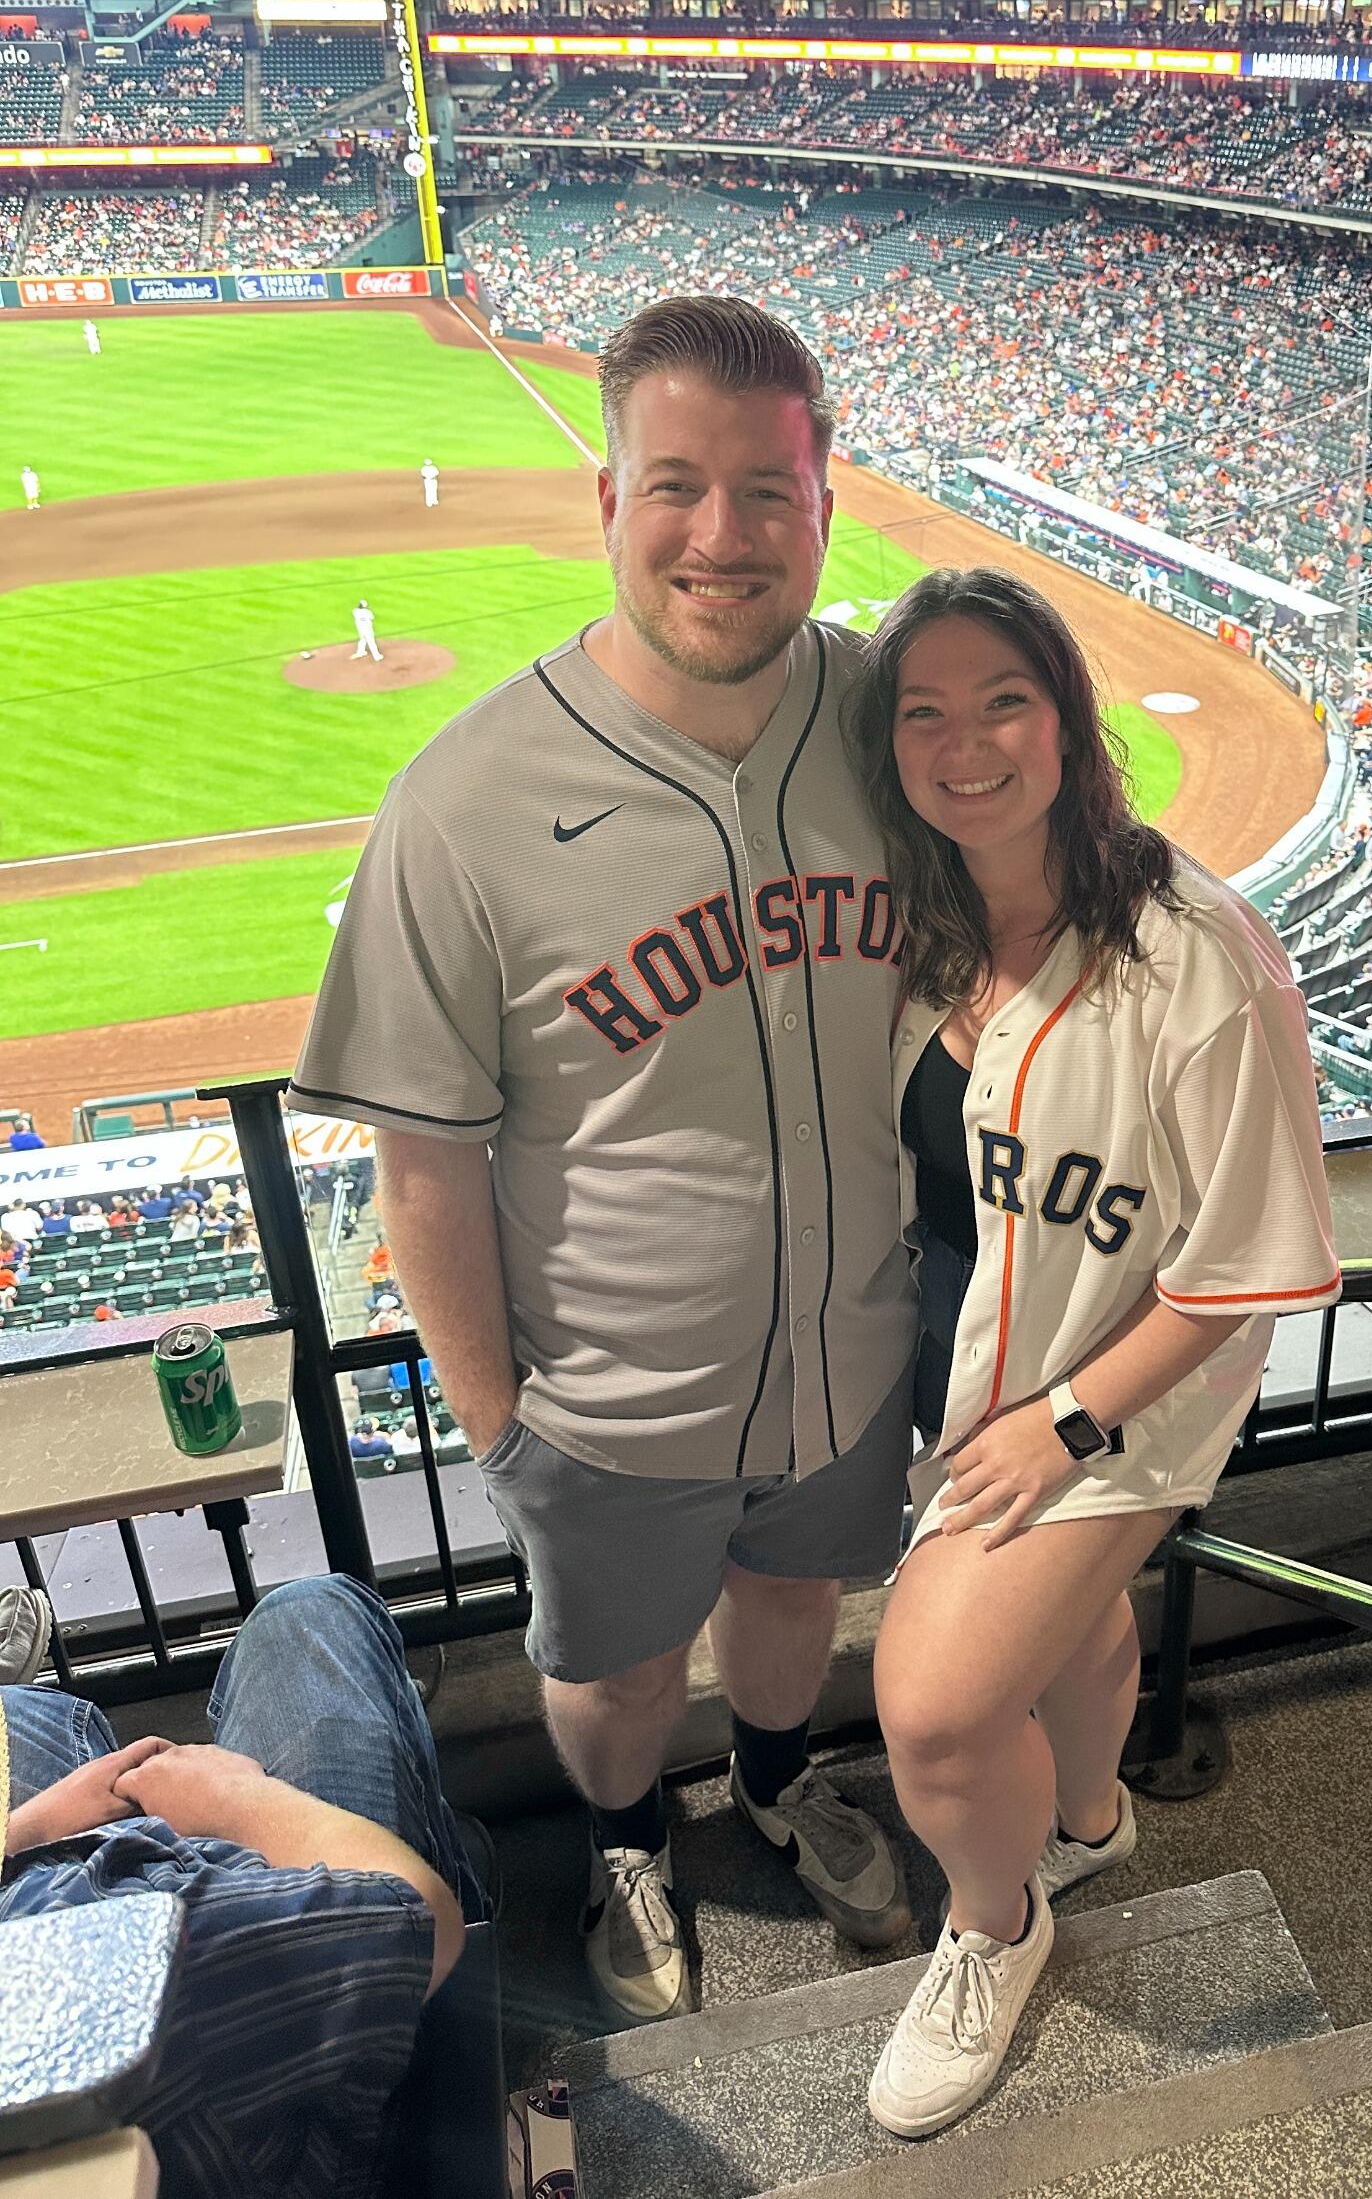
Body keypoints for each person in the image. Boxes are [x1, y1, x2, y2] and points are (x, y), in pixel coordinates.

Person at [285, 296, 918, 2024]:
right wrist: (505, 1429)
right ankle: (629, 1843)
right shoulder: (461, 805)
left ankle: (777, 1785)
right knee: (621, 1676)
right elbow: (423, 1166)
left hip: (853, 1352)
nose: (723, 535)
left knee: (795, 1605)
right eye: (676, 486)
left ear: (823, 509)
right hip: (609, 1401)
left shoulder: (890, 726)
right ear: (609, 499)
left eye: (767, 491)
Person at [843, 568, 1339, 2138]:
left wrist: (1061, 1422)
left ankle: (994, 1928)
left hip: (1116, 1391)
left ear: (1066, 721)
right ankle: (1086, 1814)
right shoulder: (922, 914)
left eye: (1002, 702)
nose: (963, 744)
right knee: (1062, 1630)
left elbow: (1248, 1268)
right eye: (924, 712)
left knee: (933, 1712)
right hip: (973, 1346)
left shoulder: (1198, 955)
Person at [0, 1574, 479, 2199]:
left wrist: (24, 1831)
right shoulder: (137, 1969)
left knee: (21, 1714)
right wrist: (241, 1801)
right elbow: (417, 1915)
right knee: (307, 1619)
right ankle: (484, 1941)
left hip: (58, 1902)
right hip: (328, 2114)